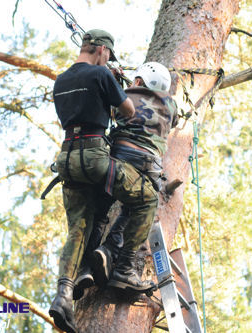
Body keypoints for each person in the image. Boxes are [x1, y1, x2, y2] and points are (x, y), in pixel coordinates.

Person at [48, 29, 135, 333]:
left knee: (79, 228)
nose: (108, 59)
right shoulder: (102, 75)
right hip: (95, 155)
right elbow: (128, 111)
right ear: (100, 50)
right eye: (108, 55)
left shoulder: (60, 81)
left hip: (67, 159)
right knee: (143, 194)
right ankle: (112, 257)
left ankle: (63, 295)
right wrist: (115, 82)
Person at [72, 62, 179, 298]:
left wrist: (117, 82)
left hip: (115, 159)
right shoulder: (171, 105)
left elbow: (112, 106)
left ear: (139, 81)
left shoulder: (125, 94)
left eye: (134, 81)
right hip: (148, 165)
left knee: (99, 213)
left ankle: (87, 267)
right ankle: (120, 265)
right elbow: (175, 121)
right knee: (135, 210)